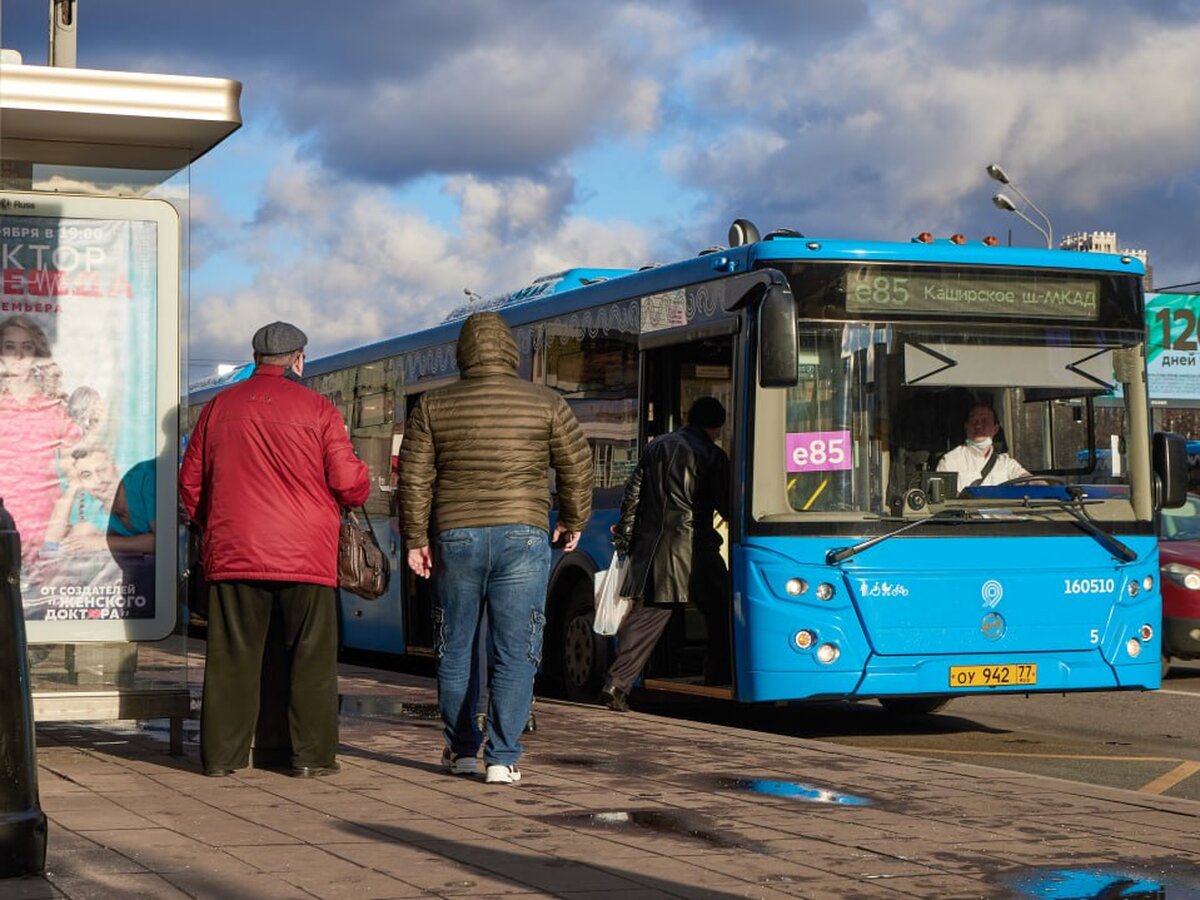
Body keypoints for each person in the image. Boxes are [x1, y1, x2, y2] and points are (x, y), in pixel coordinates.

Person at [399, 311, 591, 786]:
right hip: (523, 535)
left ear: (462, 354)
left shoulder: (432, 405)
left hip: (456, 536)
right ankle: (502, 757)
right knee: (517, 650)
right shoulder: (546, 402)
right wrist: (573, 518)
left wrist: (416, 539)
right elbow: (578, 464)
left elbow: (415, 477)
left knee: (455, 647)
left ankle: (462, 749)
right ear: (511, 352)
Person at [179, 321, 369, 778]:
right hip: (307, 556)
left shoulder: (219, 407)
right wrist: (361, 478)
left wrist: (216, 526)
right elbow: (348, 484)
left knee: (232, 658)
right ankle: (309, 758)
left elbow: (189, 483)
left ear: (256, 357)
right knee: (310, 658)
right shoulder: (319, 409)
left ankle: (222, 759)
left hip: (236, 551)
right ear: (298, 359)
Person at [601, 396, 731, 712]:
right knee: (722, 611)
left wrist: (626, 537)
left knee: (647, 617)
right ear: (714, 427)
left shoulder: (657, 446)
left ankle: (616, 685)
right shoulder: (713, 456)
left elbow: (633, 494)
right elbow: (726, 503)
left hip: (654, 547)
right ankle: (716, 676)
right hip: (695, 547)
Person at [0, 315, 81, 563]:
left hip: (45, 532)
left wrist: (60, 533)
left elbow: (76, 476)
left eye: (27, 347)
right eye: (10, 347)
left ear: (38, 352)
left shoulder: (55, 409)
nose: (19, 356)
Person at [43, 445, 155, 555]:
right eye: (87, 475)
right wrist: (72, 487)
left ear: (116, 467)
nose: (99, 480)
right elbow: (51, 546)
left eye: (102, 470)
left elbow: (165, 540)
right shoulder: (96, 520)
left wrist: (102, 542)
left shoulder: (145, 493)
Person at [936, 403, 1030, 490]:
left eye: (985, 421)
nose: (978, 425)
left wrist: (1036, 482)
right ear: (966, 427)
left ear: (995, 429)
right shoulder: (950, 461)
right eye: (974, 421)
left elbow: (1027, 479)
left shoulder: (1005, 463)